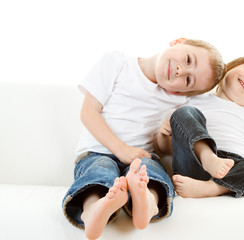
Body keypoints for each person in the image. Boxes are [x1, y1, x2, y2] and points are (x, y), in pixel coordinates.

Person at [62, 38, 226, 239]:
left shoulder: (177, 98)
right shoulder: (118, 63)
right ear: (178, 42)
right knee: (100, 171)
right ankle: (92, 210)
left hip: (141, 158)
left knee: (153, 173)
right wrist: (121, 149)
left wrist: (163, 135)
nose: (180, 71)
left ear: (179, 91)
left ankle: (148, 202)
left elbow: (163, 149)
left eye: (188, 80)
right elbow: (88, 113)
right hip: (98, 151)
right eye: (189, 59)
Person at [155, 56, 244, 198]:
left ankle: (215, 188)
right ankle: (208, 157)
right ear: (230, 67)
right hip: (195, 161)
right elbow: (167, 149)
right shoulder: (196, 98)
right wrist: (163, 135)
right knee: (184, 112)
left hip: (235, 167)